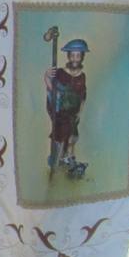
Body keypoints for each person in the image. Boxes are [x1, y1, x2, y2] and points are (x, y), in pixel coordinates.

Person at [44, 38, 89, 172]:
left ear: (82, 57)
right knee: (60, 136)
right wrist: (46, 76)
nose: (75, 59)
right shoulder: (60, 73)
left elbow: (82, 96)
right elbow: (52, 89)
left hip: (72, 113)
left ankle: (69, 159)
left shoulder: (82, 76)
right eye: (73, 55)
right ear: (69, 56)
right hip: (60, 113)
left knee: (72, 137)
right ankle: (56, 161)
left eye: (78, 56)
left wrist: (79, 112)